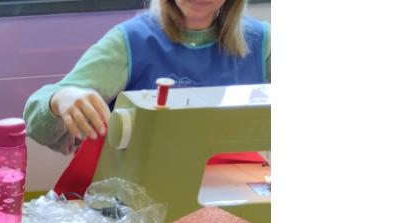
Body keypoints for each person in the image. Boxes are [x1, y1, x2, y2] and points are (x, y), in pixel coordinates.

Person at [24, 0, 270, 192]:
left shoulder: (262, 42)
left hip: (229, 197)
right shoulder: (129, 42)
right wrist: (61, 98)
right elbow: (36, 118)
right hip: (139, 203)